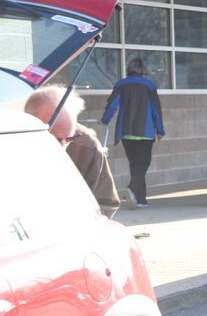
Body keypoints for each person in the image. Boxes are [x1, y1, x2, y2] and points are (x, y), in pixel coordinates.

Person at [24, 85, 121, 218]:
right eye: (56, 139)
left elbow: (106, 204)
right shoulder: (9, 143)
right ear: (31, 124)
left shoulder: (87, 146)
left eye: (69, 137)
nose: (63, 145)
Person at [101, 58, 165, 207]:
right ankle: (131, 188)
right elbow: (156, 110)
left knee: (135, 164)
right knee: (143, 164)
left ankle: (140, 200)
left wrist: (105, 119)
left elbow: (112, 106)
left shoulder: (121, 84)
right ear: (143, 70)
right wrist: (160, 130)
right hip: (146, 132)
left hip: (127, 132)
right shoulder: (150, 86)